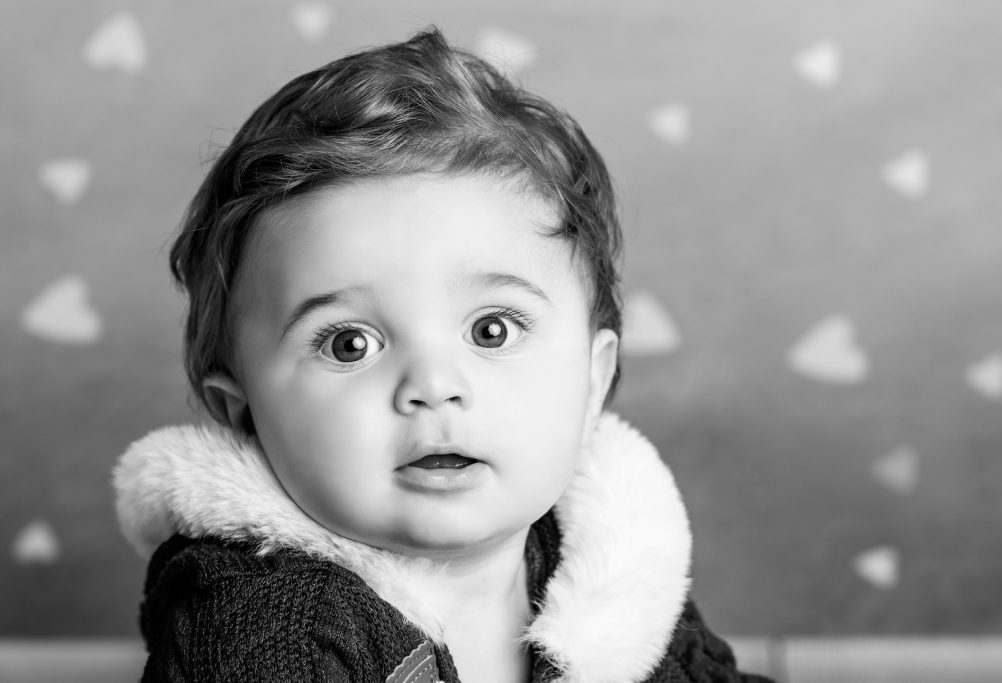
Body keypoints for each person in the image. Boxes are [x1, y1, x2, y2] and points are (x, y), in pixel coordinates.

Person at [113, 27, 773, 683]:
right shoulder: (265, 630)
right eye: (350, 343)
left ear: (593, 379)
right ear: (245, 412)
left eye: (492, 330)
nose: (433, 385)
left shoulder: (612, 568)